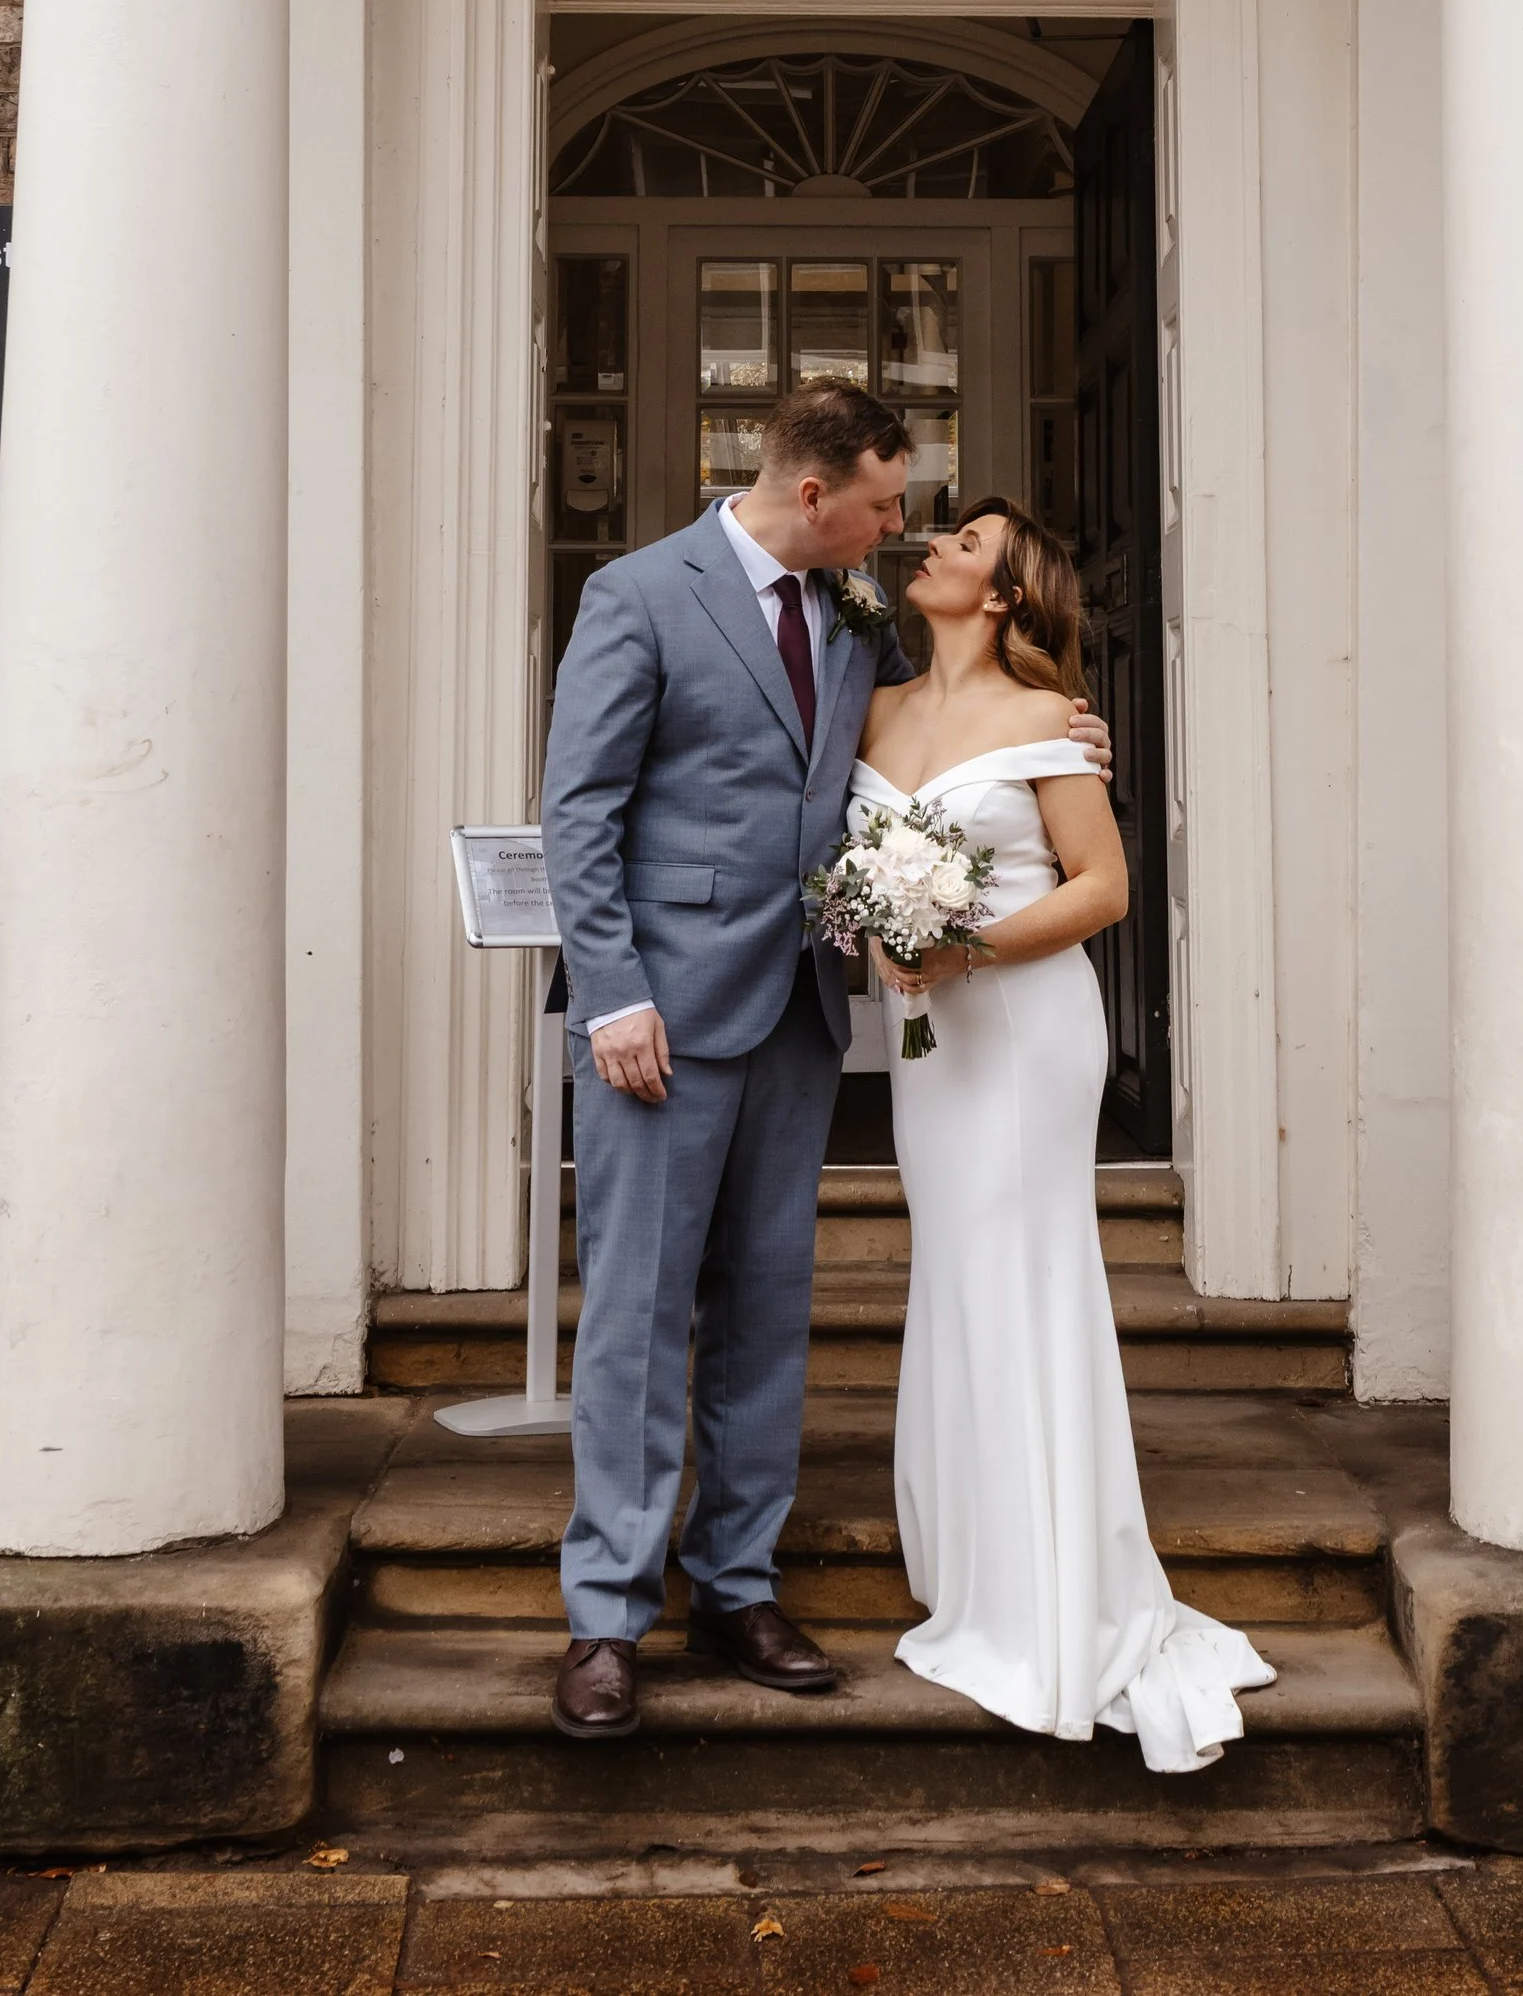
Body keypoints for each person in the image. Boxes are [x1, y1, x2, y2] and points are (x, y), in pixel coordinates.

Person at [539, 388, 1111, 1741]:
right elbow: (580, 807)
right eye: (885, 502)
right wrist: (612, 995)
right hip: (659, 1025)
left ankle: (738, 1583)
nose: (899, 532)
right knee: (637, 1314)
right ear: (816, 495)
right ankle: (607, 1614)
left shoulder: (853, 619)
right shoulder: (639, 594)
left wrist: (1062, 731)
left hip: (801, 1013)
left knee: (765, 1312)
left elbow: (936, 744)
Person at [853, 495, 1274, 1771]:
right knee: (956, 1269)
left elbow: (1102, 887)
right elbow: (856, 860)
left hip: (1027, 1031)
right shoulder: (869, 711)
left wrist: (960, 941)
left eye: (963, 545)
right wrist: (886, 935)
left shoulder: (1046, 723)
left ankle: (1046, 1578)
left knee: (1027, 1271)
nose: (933, 546)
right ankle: (970, 1556)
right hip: (929, 1039)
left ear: (1006, 595)